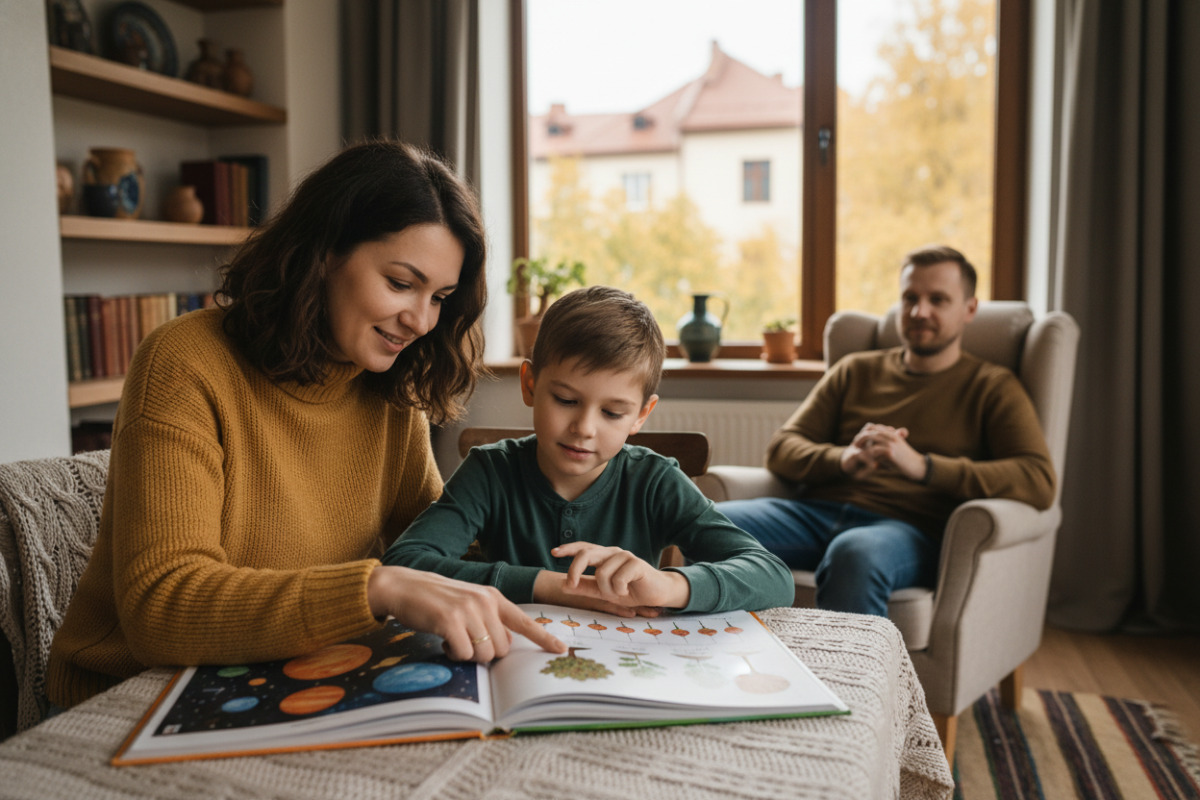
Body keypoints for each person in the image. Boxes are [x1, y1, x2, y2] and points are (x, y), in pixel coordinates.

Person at [48, 140, 564, 710]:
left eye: (439, 297)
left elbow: (438, 554)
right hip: (132, 696)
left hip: (293, 673)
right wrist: (376, 587)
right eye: (399, 283)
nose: (420, 320)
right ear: (321, 255)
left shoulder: (389, 390)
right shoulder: (184, 362)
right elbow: (162, 605)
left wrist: (576, 557)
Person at [383, 286, 794, 616]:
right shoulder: (490, 472)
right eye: (565, 400)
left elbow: (773, 576)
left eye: (613, 412)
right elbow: (404, 565)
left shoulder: (654, 481)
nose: (583, 428)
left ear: (641, 415)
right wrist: (549, 585)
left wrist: (669, 584)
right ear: (530, 384)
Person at [717, 245, 1056, 617]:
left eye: (938, 300)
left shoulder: (992, 386)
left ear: (969, 309)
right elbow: (782, 449)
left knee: (855, 552)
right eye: (910, 298)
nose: (919, 312)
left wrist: (925, 467)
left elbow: (1038, 479)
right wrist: (843, 460)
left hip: (905, 532)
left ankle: (848, 676)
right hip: (812, 514)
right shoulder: (856, 370)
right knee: (706, 523)